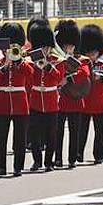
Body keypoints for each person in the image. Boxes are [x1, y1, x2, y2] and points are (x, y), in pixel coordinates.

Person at [0, 23, 33, 177]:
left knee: (19, 138)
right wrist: (6, 63)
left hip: (20, 102)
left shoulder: (24, 61)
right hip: (3, 102)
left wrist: (18, 61)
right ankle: (1, 166)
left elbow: (29, 73)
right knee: (1, 137)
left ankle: (18, 167)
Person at [29, 22, 67, 171]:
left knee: (51, 135)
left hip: (51, 101)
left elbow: (59, 78)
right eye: (42, 46)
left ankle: (48, 162)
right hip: (36, 100)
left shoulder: (58, 61)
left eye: (46, 46)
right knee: (34, 135)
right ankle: (37, 161)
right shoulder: (31, 59)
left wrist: (47, 66)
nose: (44, 49)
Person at [54, 20, 89, 169]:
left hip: (75, 100)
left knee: (75, 132)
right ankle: (58, 158)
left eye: (70, 45)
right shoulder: (58, 59)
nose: (68, 47)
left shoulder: (82, 60)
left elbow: (84, 73)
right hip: (61, 101)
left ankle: (72, 158)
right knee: (58, 132)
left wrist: (67, 79)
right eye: (65, 45)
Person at [79, 25, 103, 164]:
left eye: (93, 53)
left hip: (100, 102)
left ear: (98, 52)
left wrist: (102, 78)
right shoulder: (81, 64)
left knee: (100, 131)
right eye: (88, 53)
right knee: (82, 131)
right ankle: (78, 153)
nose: (91, 55)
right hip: (85, 101)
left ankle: (99, 155)